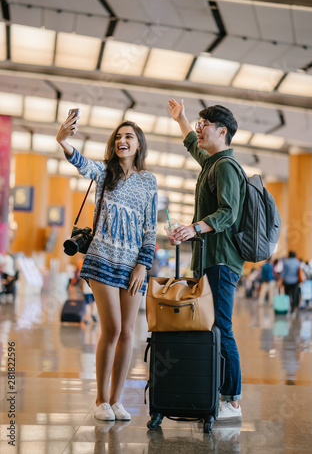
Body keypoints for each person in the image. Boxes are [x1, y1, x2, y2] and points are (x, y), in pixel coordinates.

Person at [56, 111, 158, 421]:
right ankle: (100, 399)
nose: (122, 140)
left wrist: (143, 265)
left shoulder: (148, 181)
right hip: (101, 259)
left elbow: (150, 228)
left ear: (139, 145)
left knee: (128, 331)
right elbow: (81, 162)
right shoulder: (104, 173)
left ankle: (116, 401)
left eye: (128, 137)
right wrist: (63, 140)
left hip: (132, 266)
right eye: (118, 137)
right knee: (112, 329)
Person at [168, 98, 246, 421]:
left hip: (222, 261)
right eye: (198, 126)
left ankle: (232, 400)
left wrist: (194, 228)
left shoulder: (226, 166)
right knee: (211, 325)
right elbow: (193, 147)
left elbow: (229, 212)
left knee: (222, 327)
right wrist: (182, 119)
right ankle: (217, 391)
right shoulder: (213, 162)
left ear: (222, 130)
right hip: (209, 259)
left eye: (204, 126)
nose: (199, 131)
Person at [281, 251, 301, 315]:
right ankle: (293, 309)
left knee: (287, 295)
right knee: (294, 295)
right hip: (295, 282)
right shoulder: (297, 262)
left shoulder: (286, 262)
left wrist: (280, 281)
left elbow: (283, 273)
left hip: (287, 282)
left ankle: (286, 308)